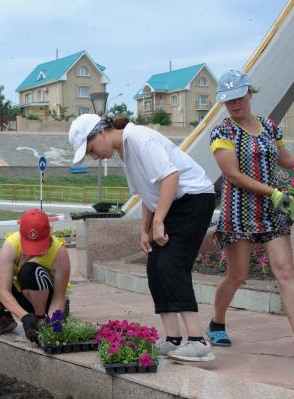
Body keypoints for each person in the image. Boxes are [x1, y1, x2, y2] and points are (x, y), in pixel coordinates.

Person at [69, 113, 216, 362]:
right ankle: (172, 339)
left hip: (194, 198)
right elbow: (148, 194)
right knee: (156, 268)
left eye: (91, 149)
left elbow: (171, 177)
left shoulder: (138, 138)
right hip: (172, 203)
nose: (94, 156)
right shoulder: (123, 153)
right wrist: (144, 230)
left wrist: (159, 222)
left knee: (173, 264)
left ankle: (198, 342)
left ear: (102, 133)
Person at [208, 70, 294, 365]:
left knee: (285, 273)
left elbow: (283, 159)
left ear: (249, 93)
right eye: (228, 100)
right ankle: (217, 322)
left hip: (272, 211)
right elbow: (231, 173)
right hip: (239, 212)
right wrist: (271, 191)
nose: (234, 103)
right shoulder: (223, 132)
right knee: (238, 276)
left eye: (238, 96)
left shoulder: (270, 127)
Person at [0, 208, 70, 342]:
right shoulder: (11, 245)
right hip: (21, 298)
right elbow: (4, 291)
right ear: (21, 235)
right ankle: (3, 318)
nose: (33, 252)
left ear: (49, 233)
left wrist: (51, 325)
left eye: (38, 245)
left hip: (47, 303)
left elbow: (59, 298)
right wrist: (25, 318)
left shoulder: (59, 252)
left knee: (29, 270)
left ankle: (40, 320)